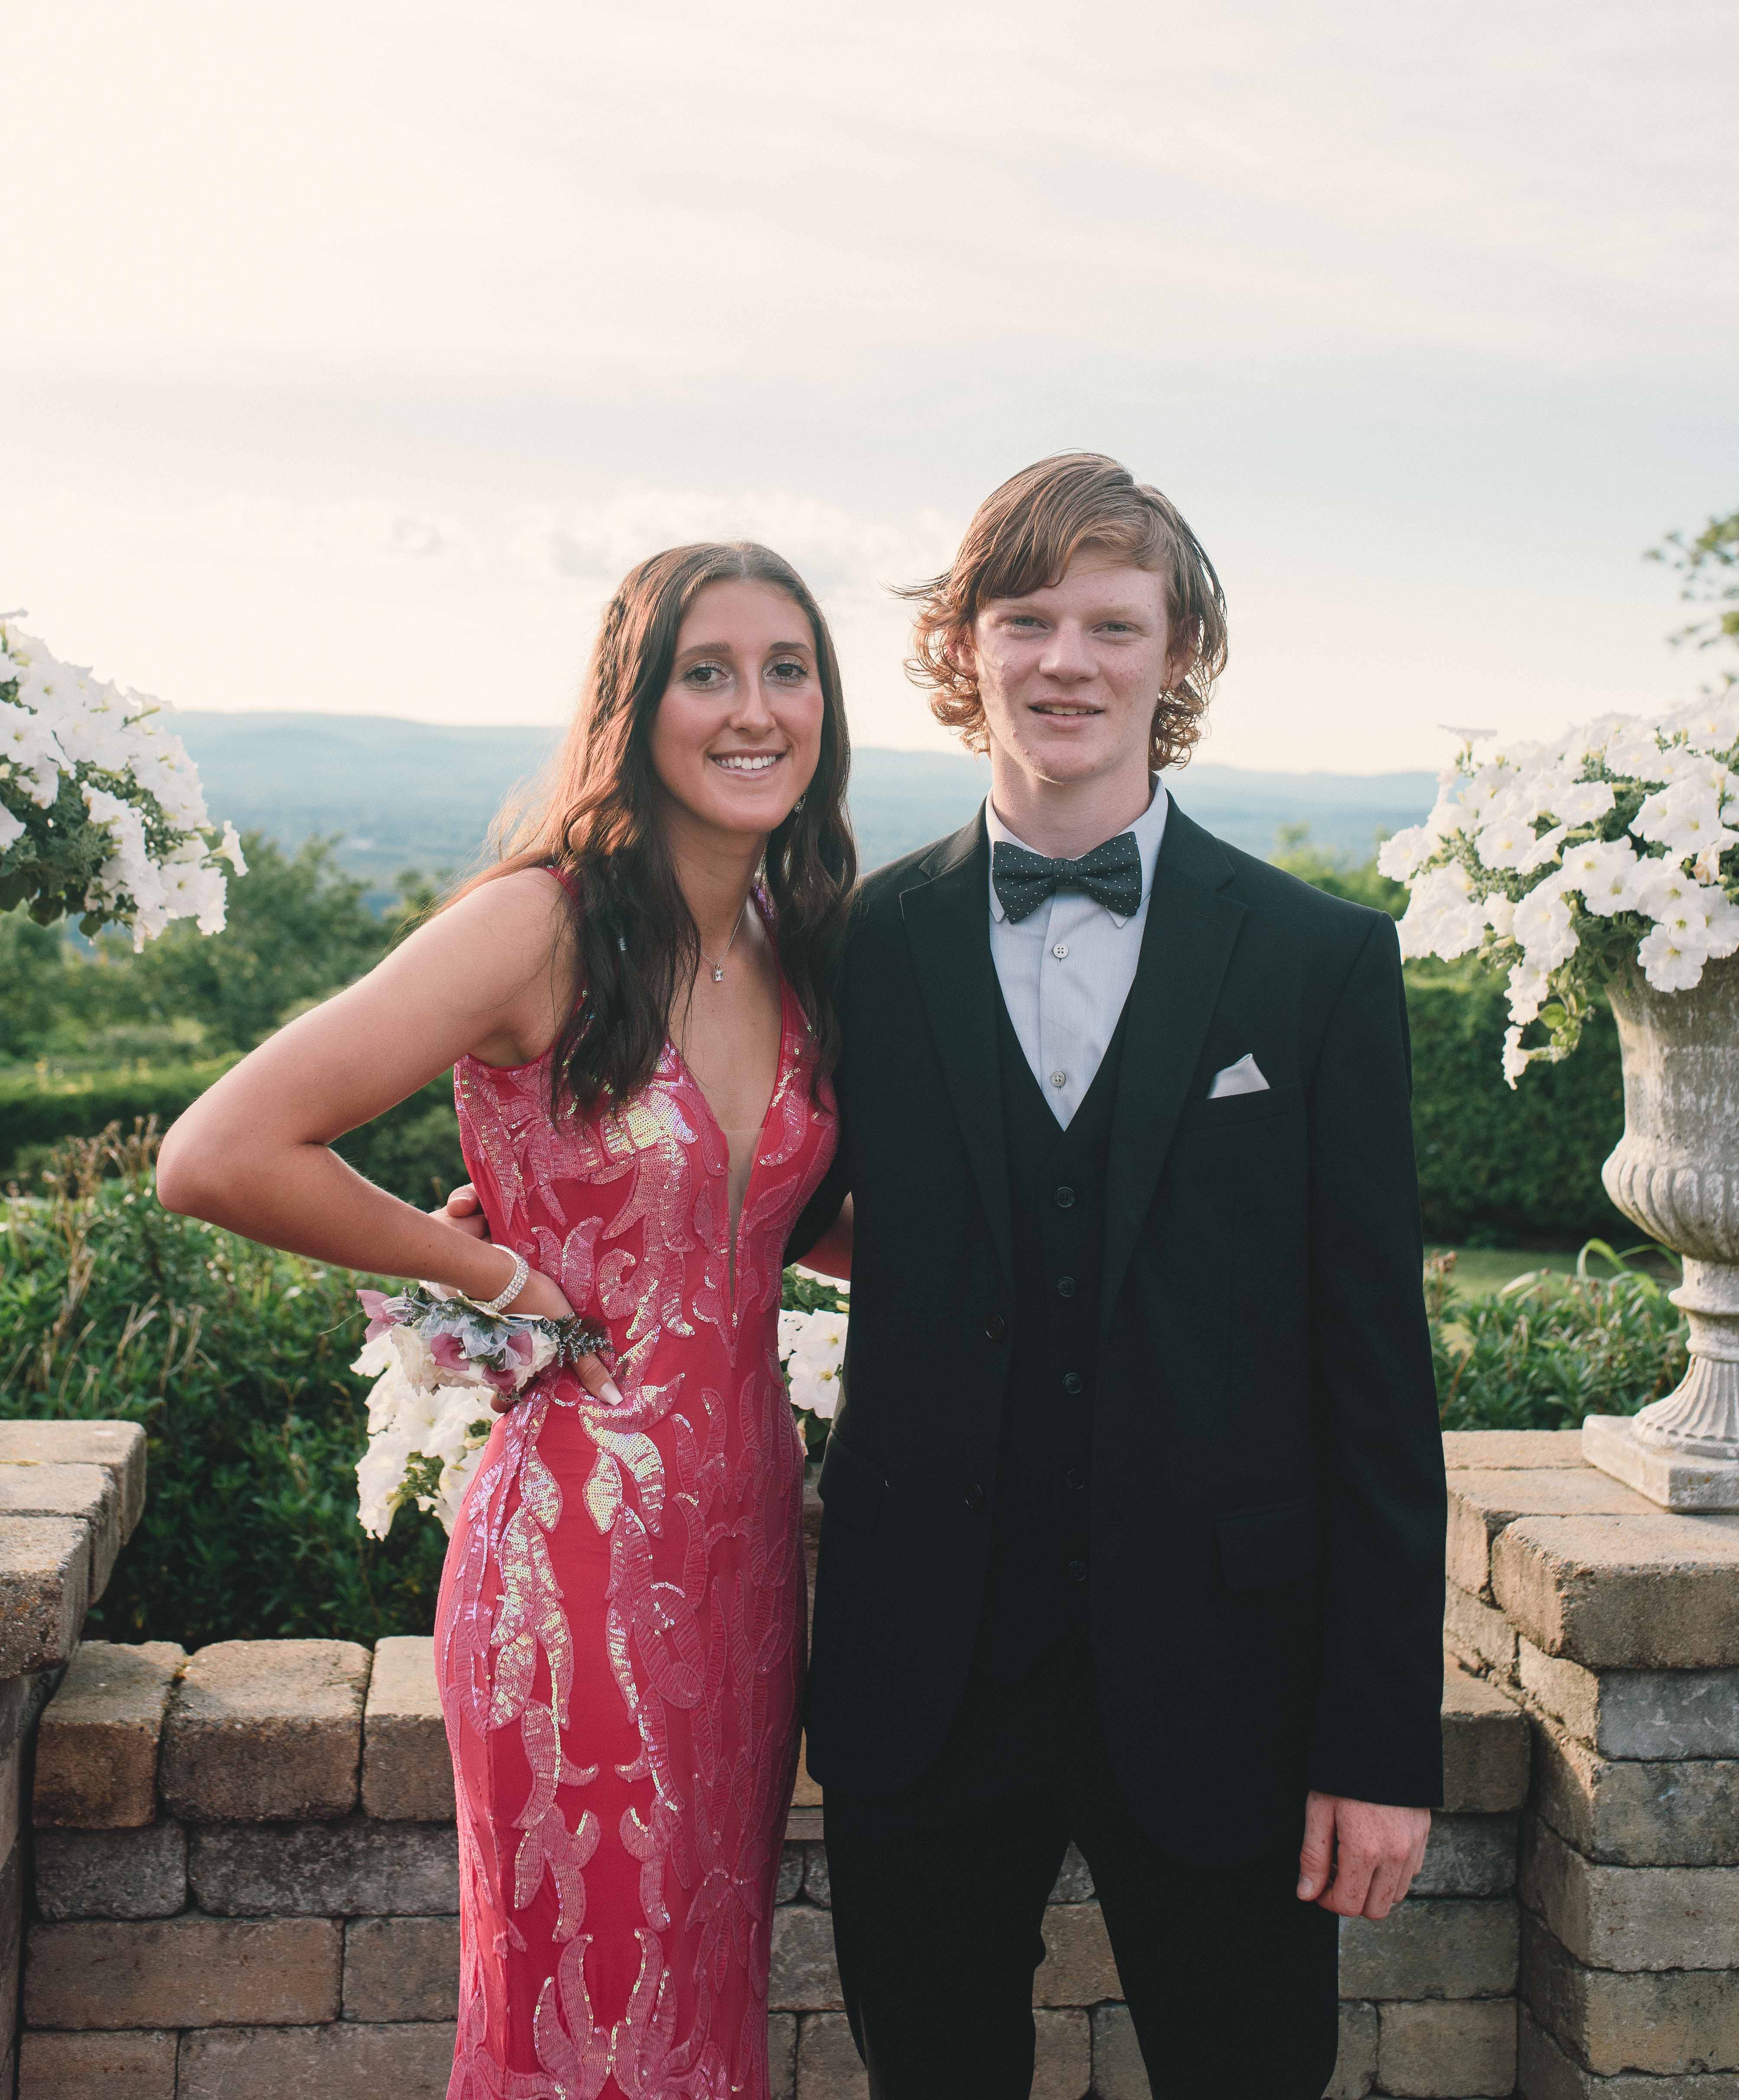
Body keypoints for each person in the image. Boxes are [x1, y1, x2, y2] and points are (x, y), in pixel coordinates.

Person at [785, 453, 1447, 2100]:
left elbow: (1378, 1379)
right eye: (1025, 619)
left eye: (1112, 622)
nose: (1066, 660)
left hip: (1233, 1689)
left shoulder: (1319, 962)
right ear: (967, 649)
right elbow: (743, 1190)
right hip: (922, 1681)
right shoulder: (850, 945)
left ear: (1179, 654)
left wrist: (1378, 1747)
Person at [156, 541, 854, 2100]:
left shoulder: (791, 948)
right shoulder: (539, 926)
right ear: (638, 702)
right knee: (588, 2032)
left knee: (703, 2015)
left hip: (750, 1562)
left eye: (789, 670)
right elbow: (217, 1153)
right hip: (575, 1564)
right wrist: (494, 1273)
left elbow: (799, 1229)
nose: (756, 710)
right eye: (709, 670)